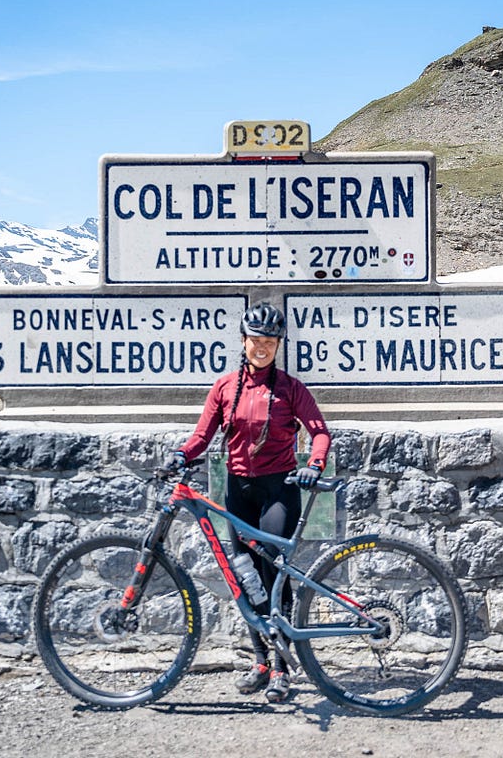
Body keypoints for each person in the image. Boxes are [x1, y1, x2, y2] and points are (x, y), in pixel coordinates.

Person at [166, 301, 331, 704]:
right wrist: (182, 455)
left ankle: (281, 667)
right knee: (243, 575)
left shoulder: (291, 388)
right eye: (255, 340)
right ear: (243, 341)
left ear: (278, 345)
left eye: (269, 342)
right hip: (237, 490)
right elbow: (203, 435)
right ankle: (259, 660)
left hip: (279, 489)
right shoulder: (224, 387)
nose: (262, 347)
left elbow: (319, 431)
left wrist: (314, 463)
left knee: (271, 570)